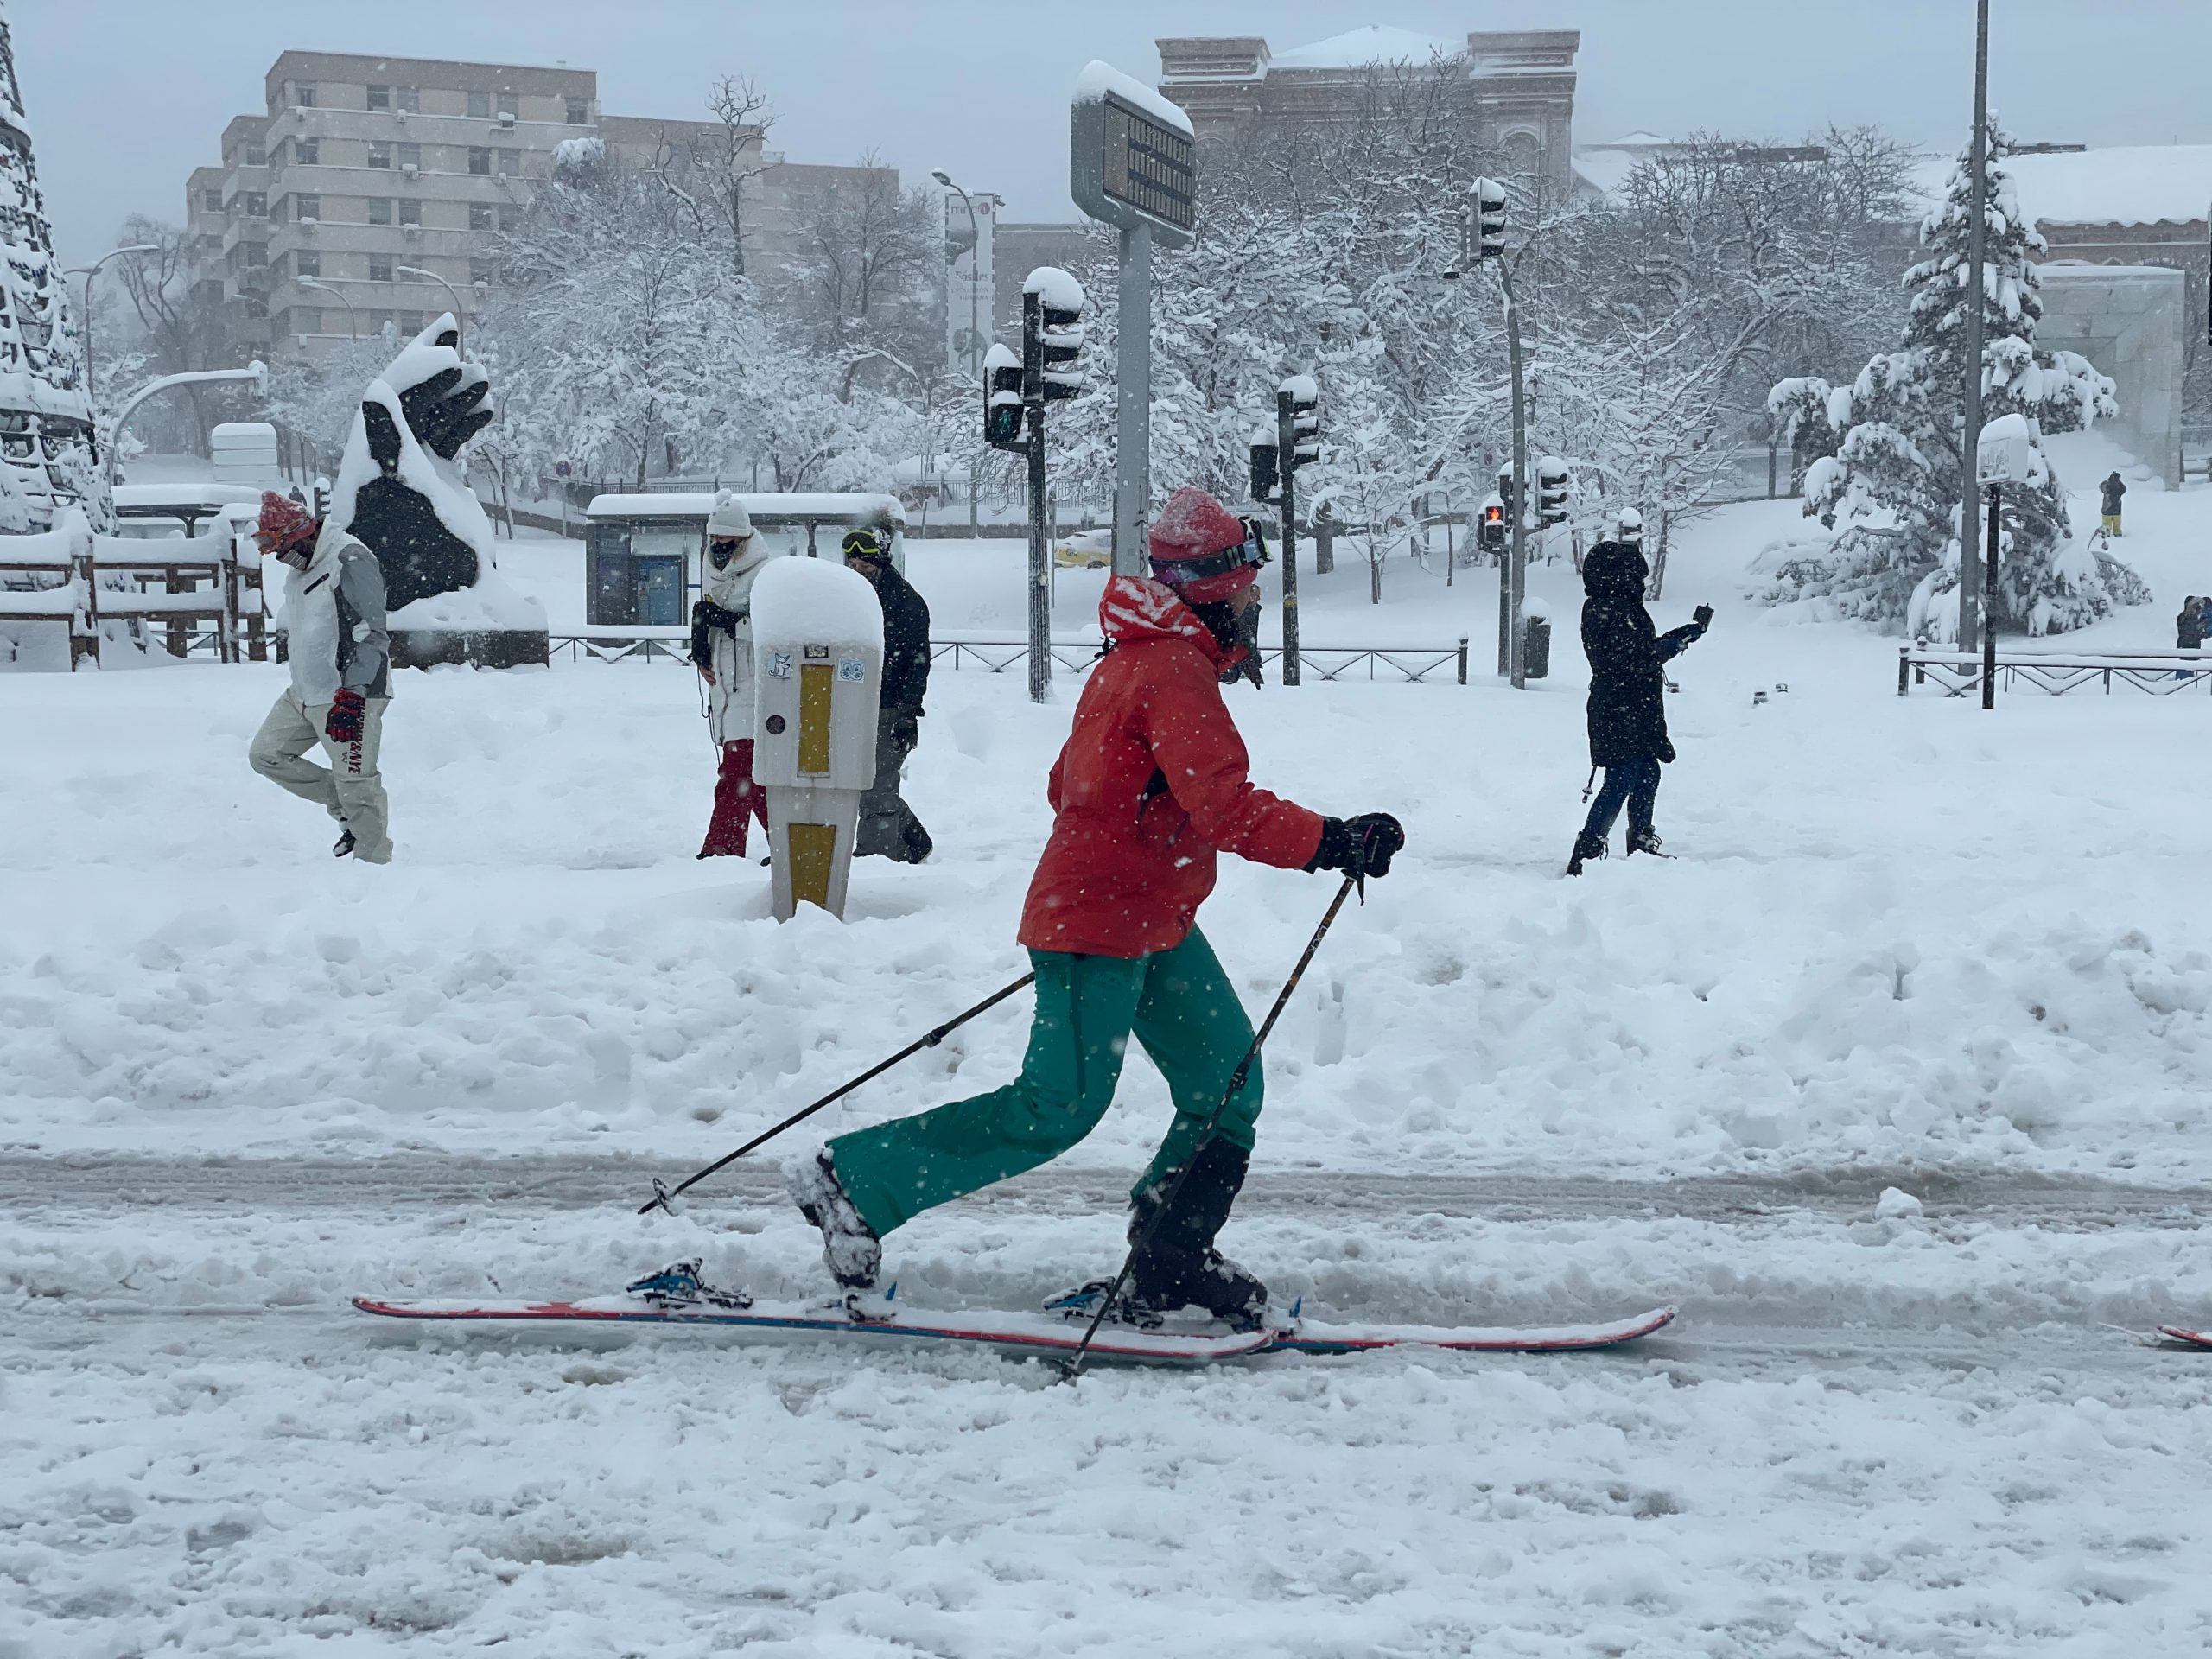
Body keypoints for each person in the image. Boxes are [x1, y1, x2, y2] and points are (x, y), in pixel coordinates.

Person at [789, 486, 1404, 1326]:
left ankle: (1169, 1253)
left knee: (1225, 1081)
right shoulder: (1168, 671)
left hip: (1149, 920)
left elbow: (1072, 786)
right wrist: (1333, 840)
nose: (1256, 599)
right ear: (1211, 587)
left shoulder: (1139, 661)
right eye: (1247, 585)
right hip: (1098, 922)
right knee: (1056, 1109)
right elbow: (1223, 806)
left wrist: (1143, 834)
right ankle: (853, 1183)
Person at [246, 491, 394, 863]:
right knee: (267, 755)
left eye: (283, 548)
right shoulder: (303, 569)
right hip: (304, 693)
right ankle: (344, 808)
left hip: (347, 693)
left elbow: (372, 633)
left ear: (303, 532)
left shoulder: (350, 558)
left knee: (357, 783)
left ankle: (374, 865)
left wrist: (353, 693)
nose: (281, 558)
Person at [1567, 534, 1710, 875]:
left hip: (1635, 707)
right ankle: (1585, 853)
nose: (1642, 584)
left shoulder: (1619, 607)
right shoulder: (1605, 609)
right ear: (1620, 577)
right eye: (1637, 577)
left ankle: (1641, 843)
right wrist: (1672, 645)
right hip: (1618, 708)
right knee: (1622, 776)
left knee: (1647, 772)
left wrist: (1677, 637)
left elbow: (1639, 651)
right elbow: (1629, 660)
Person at [841, 524, 934, 864]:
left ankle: (872, 859)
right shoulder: (848, 599)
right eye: (851, 566)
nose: (858, 573)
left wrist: (909, 711)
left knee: (875, 786)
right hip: (853, 704)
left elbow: (918, 662)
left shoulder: (906, 602)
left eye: (865, 567)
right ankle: (913, 839)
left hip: (890, 708)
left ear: (881, 563)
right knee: (857, 782)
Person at [690, 494, 777, 860]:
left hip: (756, 683)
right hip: (723, 684)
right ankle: (791, 842)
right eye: (715, 540)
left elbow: (773, 628)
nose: (720, 547)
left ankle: (722, 848)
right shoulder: (710, 566)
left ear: (745, 539)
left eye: (729, 541)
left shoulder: (767, 572)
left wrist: (731, 623)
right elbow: (708, 614)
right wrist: (700, 641)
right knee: (755, 780)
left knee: (737, 771)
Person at [2101, 471, 2126, 538]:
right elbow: (2124, 489)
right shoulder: (2119, 487)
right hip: (2117, 509)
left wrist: (2109, 480)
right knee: (2117, 527)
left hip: (2107, 509)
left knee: (2106, 525)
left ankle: (2106, 535)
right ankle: (2118, 535)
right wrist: (2118, 482)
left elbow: (2101, 487)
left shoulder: (2107, 485)